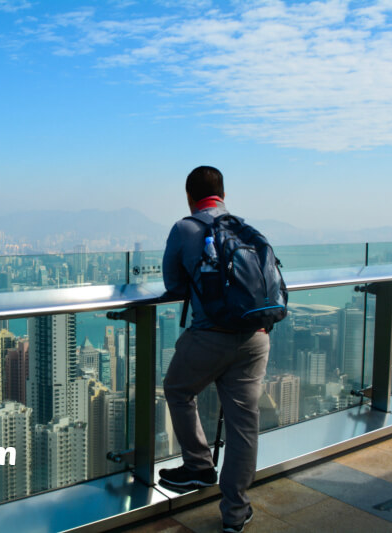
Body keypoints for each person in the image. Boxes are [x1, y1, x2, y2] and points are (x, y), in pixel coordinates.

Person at [160, 166, 270, 533]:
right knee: (244, 427)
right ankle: (235, 516)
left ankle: (198, 466)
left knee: (177, 389)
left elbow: (174, 284)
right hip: (256, 336)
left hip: (210, 336)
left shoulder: (185, 228)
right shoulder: (245, 228)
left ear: (189, 197)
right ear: (222, 194)